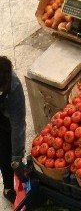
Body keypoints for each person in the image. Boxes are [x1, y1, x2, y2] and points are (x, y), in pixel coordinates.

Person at [0, 57, 26, 205]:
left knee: (6, 151)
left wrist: (16, 158)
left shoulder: (14, 88)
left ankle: (9, 187)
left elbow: (18, 125)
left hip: (5, 117)